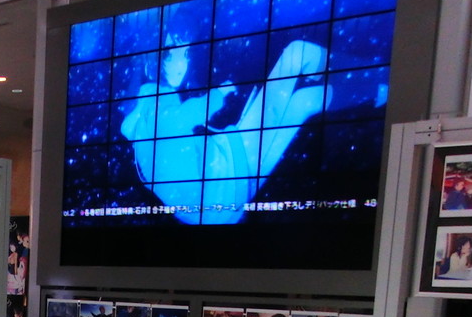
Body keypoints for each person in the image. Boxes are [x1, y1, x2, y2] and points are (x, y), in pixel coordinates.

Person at [120, 29, 332, 224]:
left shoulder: (139, 125)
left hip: (217, 205)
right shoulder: (154, 103)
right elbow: (180, 118)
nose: (182, 63)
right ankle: (350, 72)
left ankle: (349, 83)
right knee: (297, 54)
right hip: (229, 173)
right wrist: (219, 93)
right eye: (172, 54)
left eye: (185, 54)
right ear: (153, 63)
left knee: (304, 102)